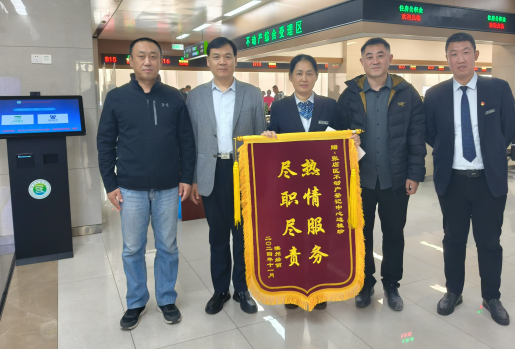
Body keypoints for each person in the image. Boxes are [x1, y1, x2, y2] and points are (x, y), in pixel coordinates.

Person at [97, 37, 195, 330]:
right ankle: (136, 302)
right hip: (130, 188)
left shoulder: (174, 97)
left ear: (161, 60)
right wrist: (110, 184)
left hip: (168, 187)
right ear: (131, 61)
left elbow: (186, 140)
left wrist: (186, 177)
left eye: (153, 55)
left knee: (168, 246)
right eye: (141, 56)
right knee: (132, 248)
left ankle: (166, 298)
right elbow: (105, 143)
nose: (147, 61)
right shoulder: (116, 98)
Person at [425, 32, 515, 326]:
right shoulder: (435, 95)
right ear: (447, 59)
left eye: (465, 52)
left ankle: (492, 297)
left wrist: (490, 152)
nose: (460, 58)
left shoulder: (498, 88)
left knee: (489, 241)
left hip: (489, 181)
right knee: (453, 239)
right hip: (452, 181)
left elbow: (509, 129)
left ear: (476, 55)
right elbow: (431, 134)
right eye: (453, 53)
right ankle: (453, 292)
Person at [335, 37, 426, 311]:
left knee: (394, 234)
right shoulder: (349, 95)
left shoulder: (407, 94)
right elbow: (336, 136)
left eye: (380, 55)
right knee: (361, 234)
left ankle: (391, 284)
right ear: (362, 62)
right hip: (359, 181)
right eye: (369, 56)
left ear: (390, 58)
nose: (375, 61)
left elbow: (416, 138)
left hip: (395, 180)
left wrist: (415, 174)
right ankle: (365, 283)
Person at [262, 54, 353, 310]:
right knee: (291, 237)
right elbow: (273, 144)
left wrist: (352, 140)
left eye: (309, 73)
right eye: (299, 73)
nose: (304, 78)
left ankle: (319, 290)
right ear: (290, 77)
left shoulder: (330, 106)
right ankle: (292, 291)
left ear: (316, 76)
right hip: (289, 187)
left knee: (318, 236)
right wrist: (268, 138)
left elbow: (341, 138)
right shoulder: (279, 107)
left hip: (321, 187)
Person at [186, 37, 266, 315]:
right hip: (210, 172)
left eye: (228, 56)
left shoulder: (252, 93)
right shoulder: (195, 96)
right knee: (217, 235)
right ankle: (220, 289)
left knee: (243, 235)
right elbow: (190, 141)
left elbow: (259, 138)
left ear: (235, 60)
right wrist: (193, 178)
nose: (222, 62)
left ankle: (242, 288)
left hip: (242, 172)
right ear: (208, 61)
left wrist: (259, 178)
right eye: (217, 57)